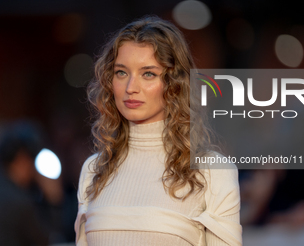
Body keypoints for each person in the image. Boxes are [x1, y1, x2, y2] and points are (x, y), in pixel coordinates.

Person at [74, 15, 242, 246]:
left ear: (174, 84)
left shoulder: (211, 172)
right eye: (121, 72)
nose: (131, 88)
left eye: (148, 74)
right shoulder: (93, 171)